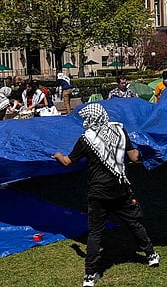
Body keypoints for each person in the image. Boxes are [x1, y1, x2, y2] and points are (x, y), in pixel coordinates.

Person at [51, 103, 159, 287]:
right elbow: (133, 157)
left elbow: (68, 162)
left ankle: (89, 275)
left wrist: (58, 155)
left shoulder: (86, 139)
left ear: (91, 119)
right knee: (133, 223)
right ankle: (151, 255)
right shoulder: (119, 130)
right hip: (121, 188)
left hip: (98, 192)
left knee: (95, 232)